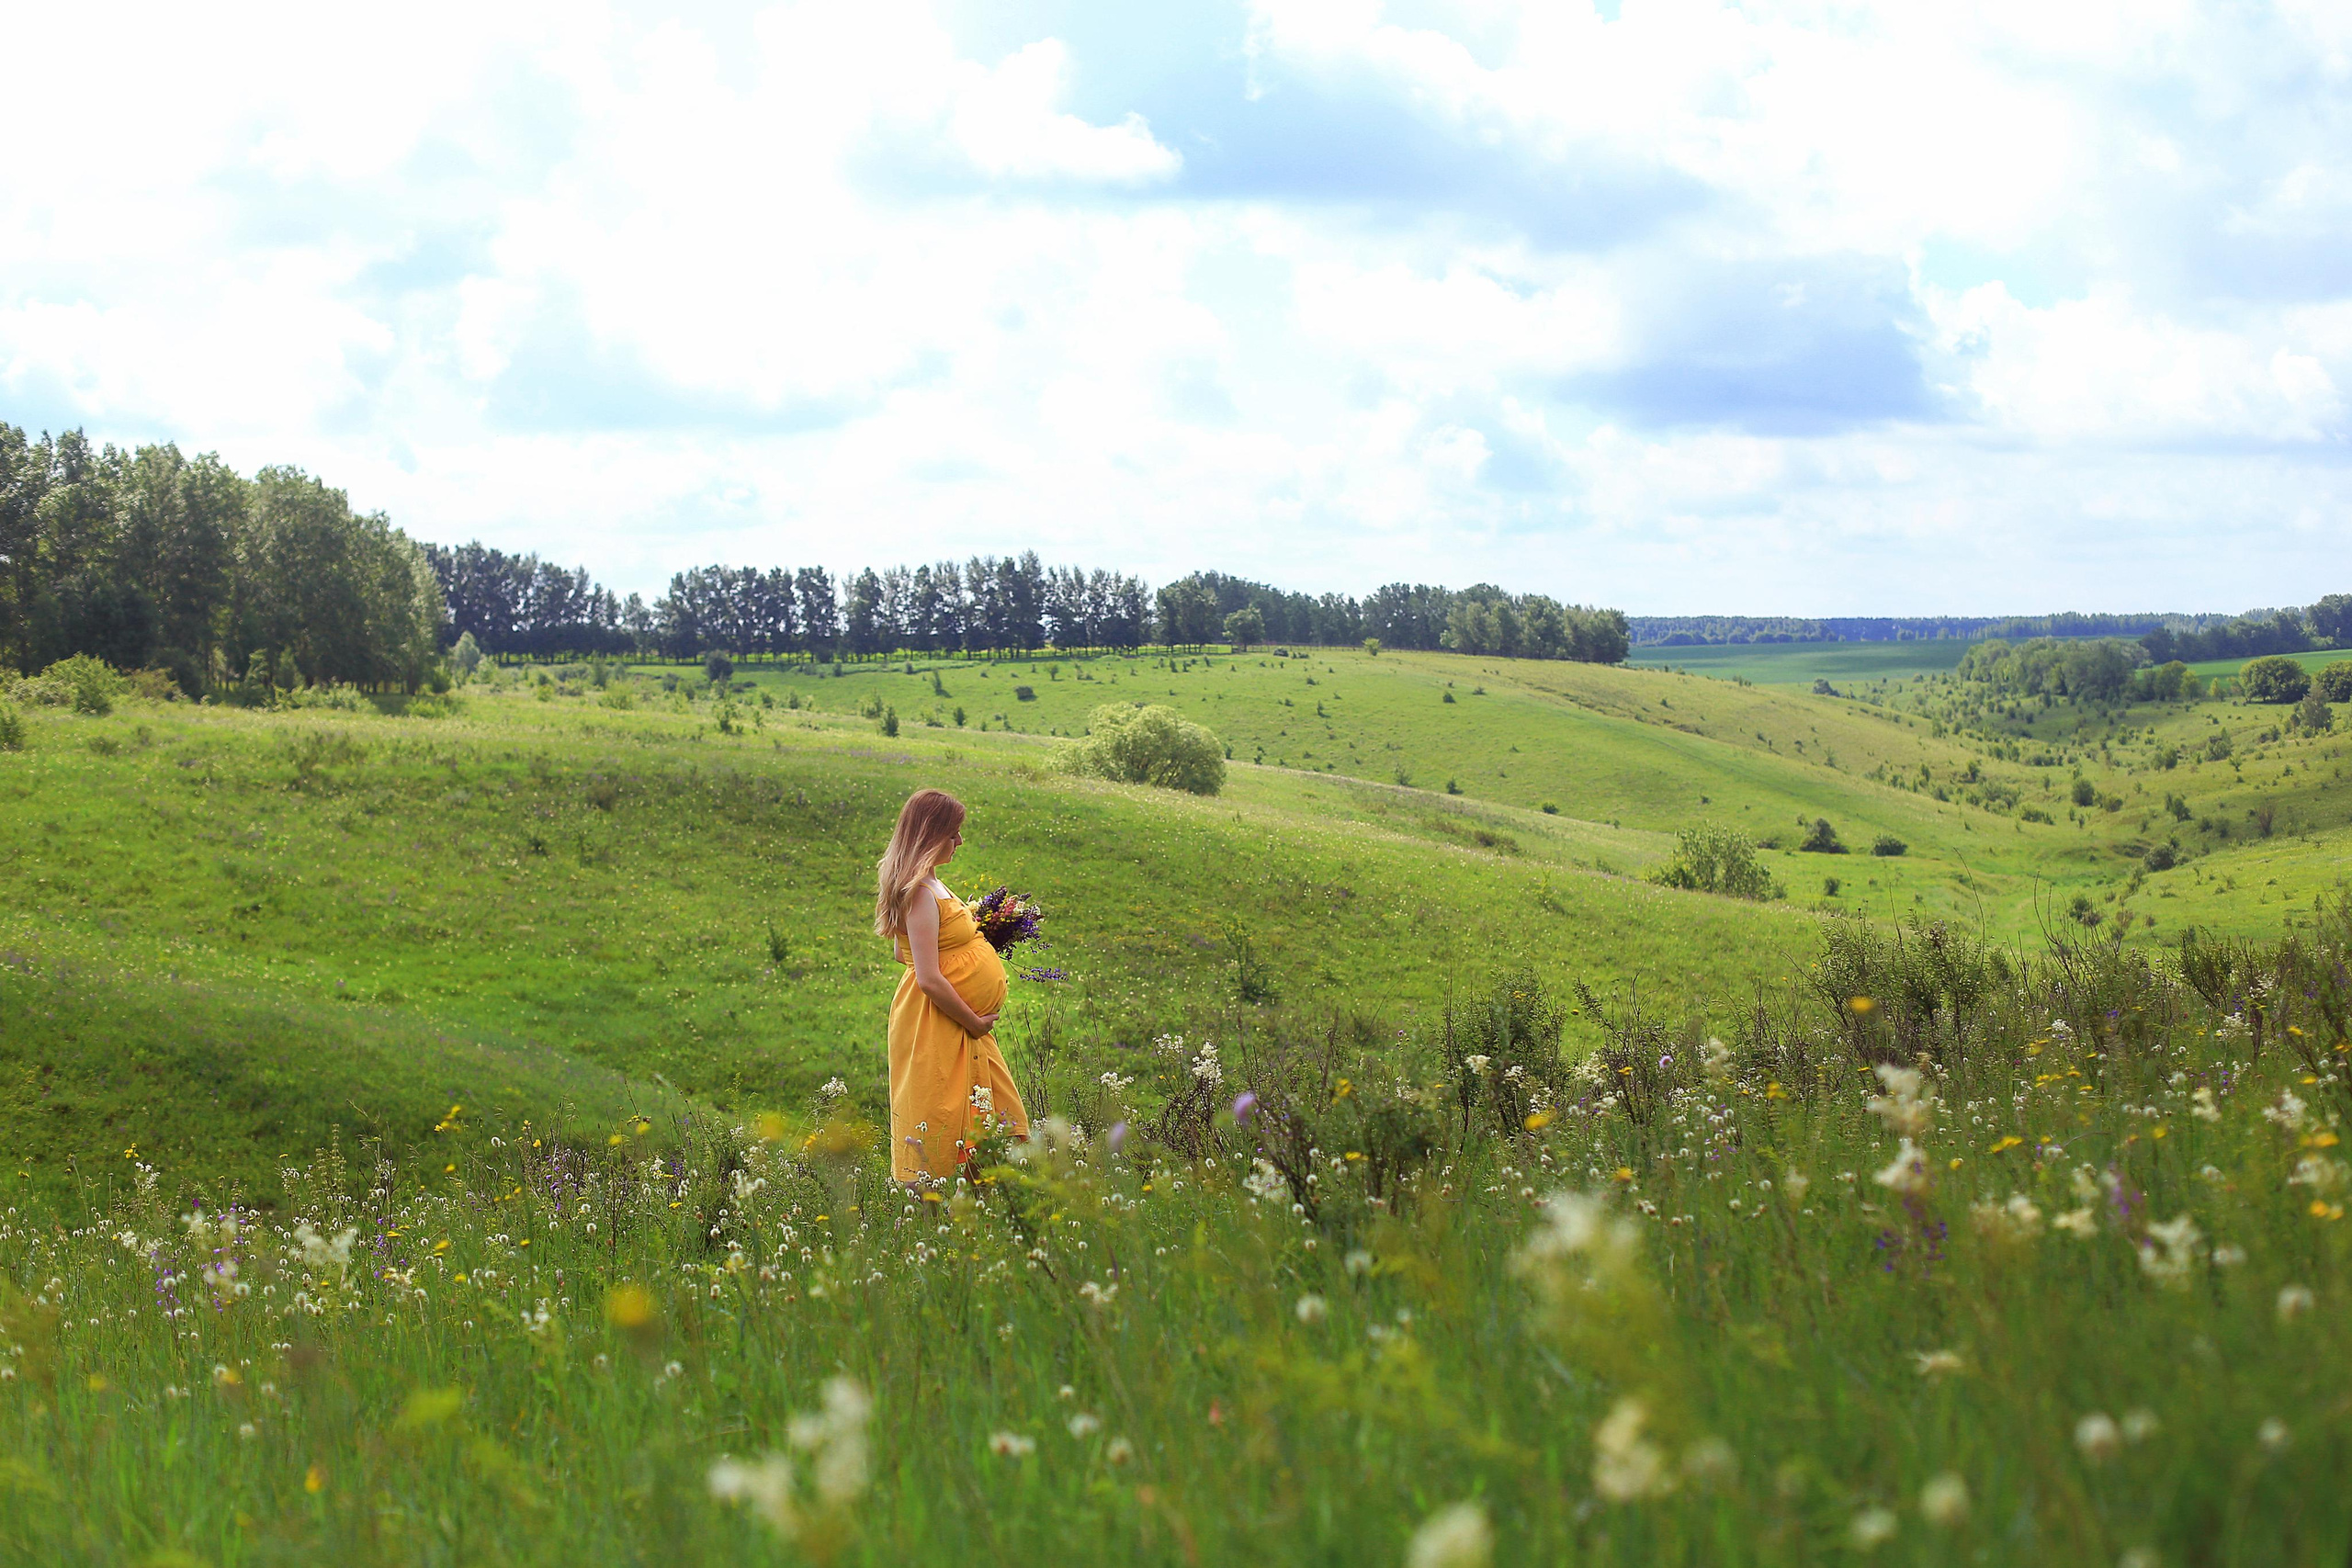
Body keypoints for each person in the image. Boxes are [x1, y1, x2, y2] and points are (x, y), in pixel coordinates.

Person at [873, 788, 1030, 1181]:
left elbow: (901, 953)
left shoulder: (929, 883)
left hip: (961, 1025)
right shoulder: (920, 894)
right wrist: (973, 1020)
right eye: (953, 833)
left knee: (993, 1121)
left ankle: (979, 1215)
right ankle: (929, 1221)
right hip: (942, 1022)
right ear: (930, 834)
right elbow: (925, 977)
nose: (960, 841)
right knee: (940, 1115)